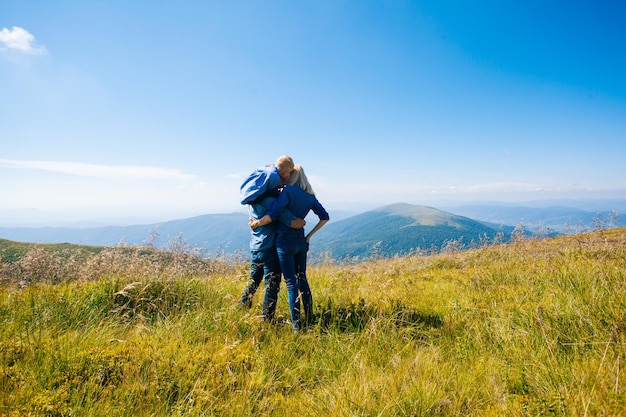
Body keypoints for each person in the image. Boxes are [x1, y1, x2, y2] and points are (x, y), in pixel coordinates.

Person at [250, 164, 329, 331]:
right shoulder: (310, 196)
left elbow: (274, 214)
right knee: (303, 279)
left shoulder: (287, 192)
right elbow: (324, 217)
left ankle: (297, 327)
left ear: (293, 175)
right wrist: (309, 236)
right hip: (301, 240)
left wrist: (257, 223)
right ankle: (309, 317)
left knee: (291, 284)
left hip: (285, 242)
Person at [239, 155, 305, 322]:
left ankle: (241, 309)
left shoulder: (256, 198)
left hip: (255, 246)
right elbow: (289, 220)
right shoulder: (272, 202)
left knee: (253, 280)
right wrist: (301, 221)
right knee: (272, 284)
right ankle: (267, 320)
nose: (287, 178)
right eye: (286, 174)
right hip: (269, 246)